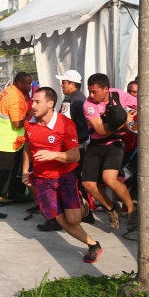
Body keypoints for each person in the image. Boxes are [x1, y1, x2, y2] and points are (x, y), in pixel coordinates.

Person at [21, 87, 103, 263]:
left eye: (37, 101)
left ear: (50, 104)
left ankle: (83, 204)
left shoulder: (65, 124)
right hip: (42, 180)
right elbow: (27, 147)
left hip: (64, 176)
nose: (32, 105)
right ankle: (93, 245)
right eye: (32, 101)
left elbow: (75, 155)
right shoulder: (29, 123)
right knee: (61, 219)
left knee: (73, 219)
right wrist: (25, 171)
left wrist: (53, 155)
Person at [81, 73, 137, 232]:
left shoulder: (118, 94)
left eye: (94, 92)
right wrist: (124, 122)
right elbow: (100, 129)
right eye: (89, 91)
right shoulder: (88, 105)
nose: (91, 95)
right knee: (88, 184)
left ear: (106, 89)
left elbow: (140, 104)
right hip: (96, 144)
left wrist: (133, 120)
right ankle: (111, 209)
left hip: (115, 144)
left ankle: (131, 209)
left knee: (109, 179)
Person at [0, 72, 32, 218]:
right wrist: (31, 116)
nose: (30, 87)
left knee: (17, 165)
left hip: (11, 139)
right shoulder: (15, 97)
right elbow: (17, 123)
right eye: (27, 84)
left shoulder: (10, 90)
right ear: (19, 83)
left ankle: (15, 193)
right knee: (3, 172)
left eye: (30, 83)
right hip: (6, 140)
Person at [55, 69, 95, 227]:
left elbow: (63, 123)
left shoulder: (70, 100)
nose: (62, 85)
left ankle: (64, 217)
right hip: (80, 145)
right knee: (77, 179)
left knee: (66, 181)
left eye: (64, 82)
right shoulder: (82, 98)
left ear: (72, 84)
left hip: (71, 147)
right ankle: (86, 213)